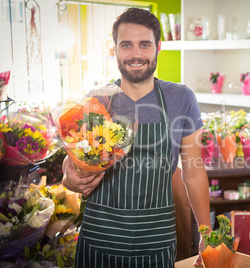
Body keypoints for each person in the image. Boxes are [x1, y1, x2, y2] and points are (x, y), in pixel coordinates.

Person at [62, 7, 211, 267]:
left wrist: (206, 233)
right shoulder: (98, 100)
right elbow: (72, 164)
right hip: (99, 241)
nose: (136, 54)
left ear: (158, 47)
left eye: (144, 44)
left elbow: (194, 171)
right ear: (115, 49)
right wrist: (71, 179)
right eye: (126, 45)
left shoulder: (181, 98)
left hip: (156, 242)